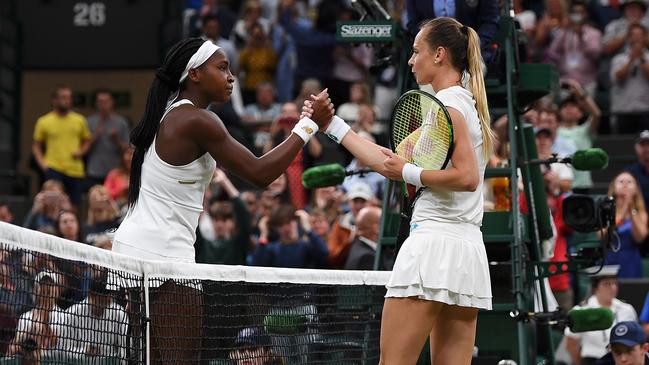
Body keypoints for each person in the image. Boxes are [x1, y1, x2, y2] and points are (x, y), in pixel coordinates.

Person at [111, 38, 333, 364]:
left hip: (132, 254)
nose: (231, 77)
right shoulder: (199, 120)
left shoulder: (170, 114)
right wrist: (307, 126)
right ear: (195, 74)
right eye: (222, 68)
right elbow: (260, 174)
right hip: (163, 257)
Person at [303, 17, 495, 364]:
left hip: (431, 247)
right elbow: (389, 161)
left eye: (416, 51)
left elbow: (466, 177)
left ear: (439, 55)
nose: (410, 59)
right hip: (466, 252)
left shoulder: (449, 104)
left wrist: (410, 172)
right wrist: (332, 125)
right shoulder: (460, 102)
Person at [565, 266, 638, 365]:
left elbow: (634, 338)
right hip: (592, 360)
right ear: (595, 287)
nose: (612, 288)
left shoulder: (626, 309)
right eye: (607, 284)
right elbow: (571, 344)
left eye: (614, 283)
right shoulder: (581, 311)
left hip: (619, 360)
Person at [32, 86, 92, 205]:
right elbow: (36, 146)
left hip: (75, 169)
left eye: (69, 98)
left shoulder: (79, 120)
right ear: (54, 100)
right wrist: (43, 165)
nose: (67, 101)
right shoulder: (44, 121)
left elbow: (87, 141)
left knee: (74, 204)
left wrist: (81, 151)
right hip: (54, 167)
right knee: (52, 203)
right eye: (63, 97)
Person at [604, 172, 648, 278]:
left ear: (636, 189)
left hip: (631, 260)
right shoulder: (605, 211)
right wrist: (623, 210)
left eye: (629, 182)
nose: (625, 185)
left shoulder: (641, 213)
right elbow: (602, 235)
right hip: (610, 258)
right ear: (613, 187)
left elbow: (640, 237)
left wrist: (631, 207)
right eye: (620, 182)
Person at [84, 89, 130, 189]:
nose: (103, 105)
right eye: (100, 102)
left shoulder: (121, 122)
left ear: (112, 103)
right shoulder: (89, 122)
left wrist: (116, 139)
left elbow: (127, 149)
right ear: (96, 104)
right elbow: (83, 148)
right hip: (94, 170)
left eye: (106, 101)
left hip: (114, 169)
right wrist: (95, 136)